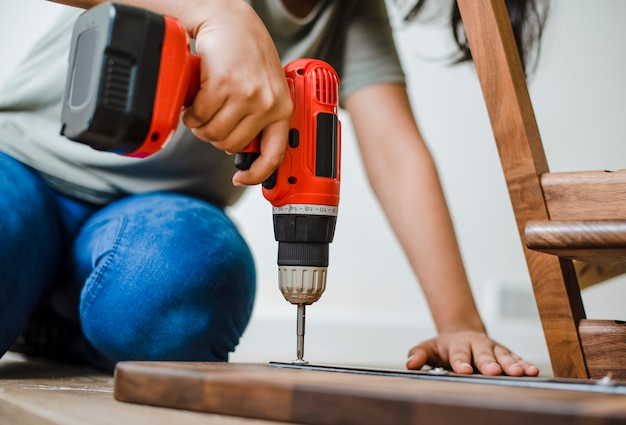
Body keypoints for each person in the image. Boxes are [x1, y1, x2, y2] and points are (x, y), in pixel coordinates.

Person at [0, 0, 546, 375]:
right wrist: (216, 10)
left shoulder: (349, 11)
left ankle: (48, 317)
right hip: (18, 163)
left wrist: (458, 323)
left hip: (154, 218)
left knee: (188, 284)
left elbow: (396, 155)